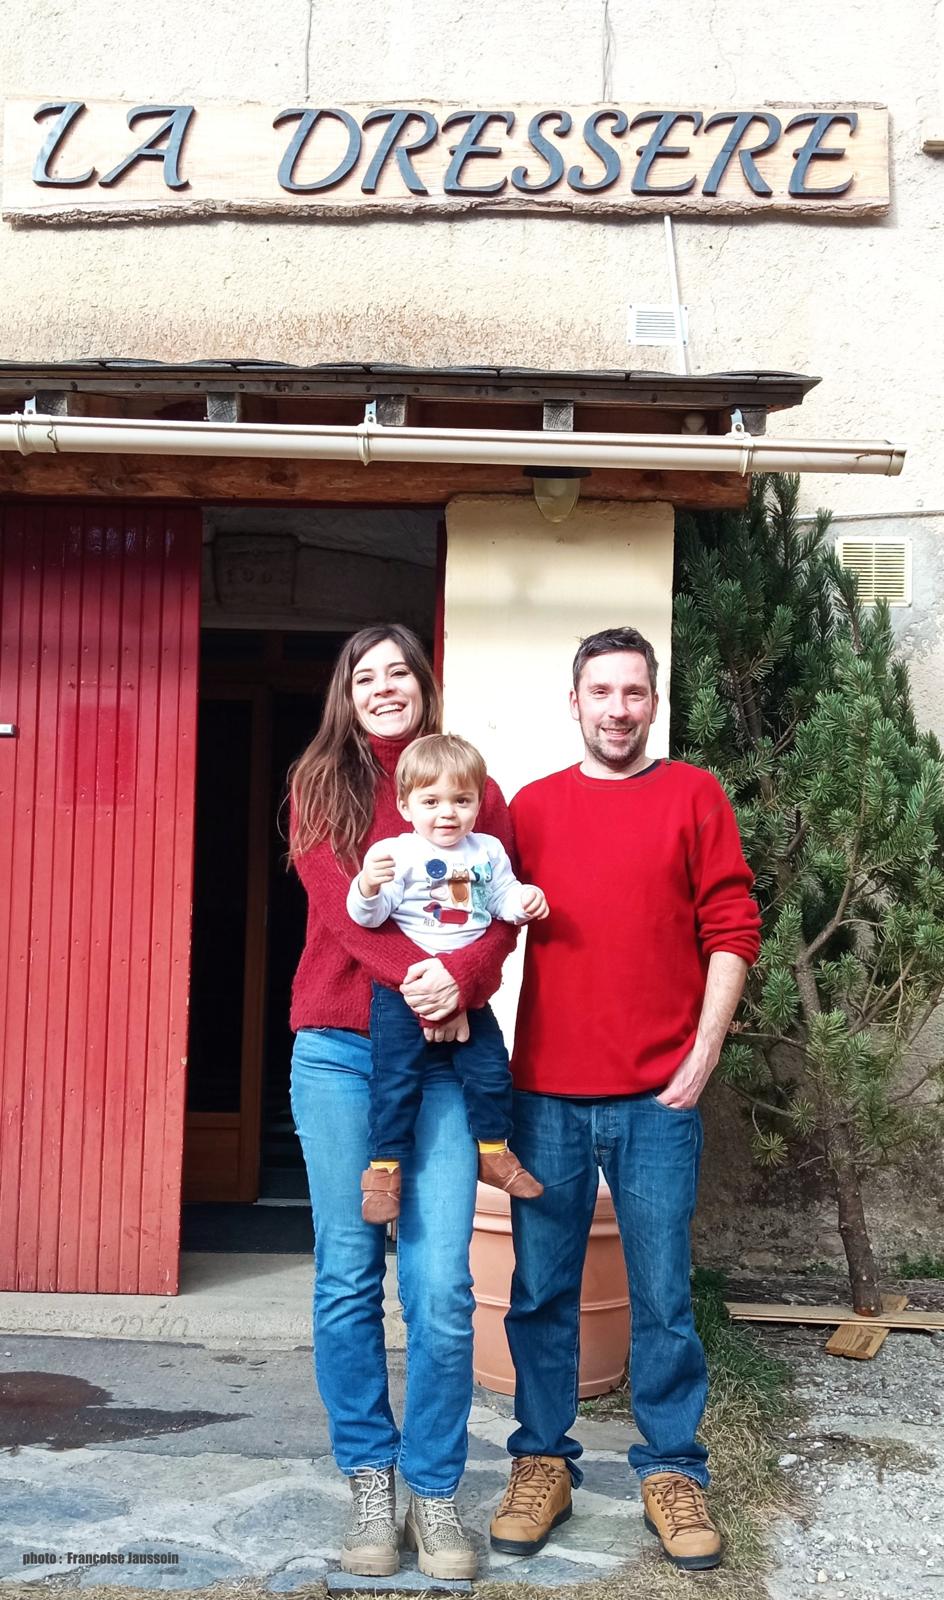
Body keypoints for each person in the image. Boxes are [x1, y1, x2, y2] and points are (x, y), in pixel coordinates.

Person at [489, 625, 761, 1574]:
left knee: (662, 1296)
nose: (617, 709)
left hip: (659, 1097)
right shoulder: (530, 809)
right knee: (540, 1291)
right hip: (546, 1098)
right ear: (574, 702)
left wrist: (704, 1051)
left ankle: (674, 1470)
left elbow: (733, 927)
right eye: (600, 692)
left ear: (654, 701)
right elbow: (475, 919)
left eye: (633, 693)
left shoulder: (695, 796)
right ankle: (540, 1462)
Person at [288, 624, 518, 1582]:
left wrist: (457, 986)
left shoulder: (471, 782)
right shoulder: (319, 786)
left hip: (444, 1057)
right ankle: (370, 1482)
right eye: (364, 675)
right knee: (349, 1273)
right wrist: (427, 979)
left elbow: (503, 913)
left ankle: (435, 1491)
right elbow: (343, 914)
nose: (384, 687)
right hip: (341, 1054)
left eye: (399, 673)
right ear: (347, 691)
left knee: (441, 1286)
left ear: (425, 685)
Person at [346, 731, 548, 1223]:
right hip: (400, 993)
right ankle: (384, 1169)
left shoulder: (487, 851)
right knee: (395, 1081)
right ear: (405, 804)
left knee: (491, 1072)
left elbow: (498, 902)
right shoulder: (398, 852)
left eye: (461, 800)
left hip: (470, 994)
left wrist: (524, 901)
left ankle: (494, 1151)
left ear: (478, 803)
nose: (447, 813)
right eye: (431, 801)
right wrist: (368, 883)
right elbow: (366, 918)